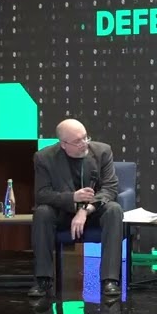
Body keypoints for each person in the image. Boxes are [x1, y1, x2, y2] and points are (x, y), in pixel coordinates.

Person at [30, 119, 124, 299]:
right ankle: (43, 280)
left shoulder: (102, 151)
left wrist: (85, 210)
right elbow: (42, 194)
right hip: (63, 213)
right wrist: (72, 197)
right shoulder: (44, 158)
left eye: (85, 137)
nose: (84, 143)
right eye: (77, 141)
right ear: (63, 144)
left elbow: (110, 189)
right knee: (42, 212)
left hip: (94, 212)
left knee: (114, 209)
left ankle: (110, 280)